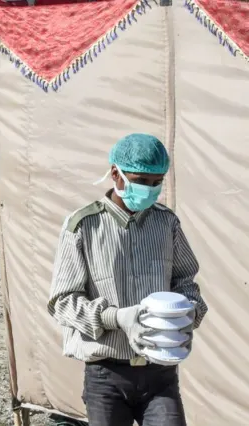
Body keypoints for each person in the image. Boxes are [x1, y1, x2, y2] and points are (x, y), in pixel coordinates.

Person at [47, 133, 208, 426]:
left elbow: (186, 281)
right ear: (115, 175)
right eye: (141, 180)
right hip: (106, 375)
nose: (149, 189)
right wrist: (116, 317)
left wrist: (190, 311)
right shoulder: (84, 226)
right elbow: (63, 302)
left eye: (157, 181)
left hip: (160, 373)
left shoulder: (166, 223)